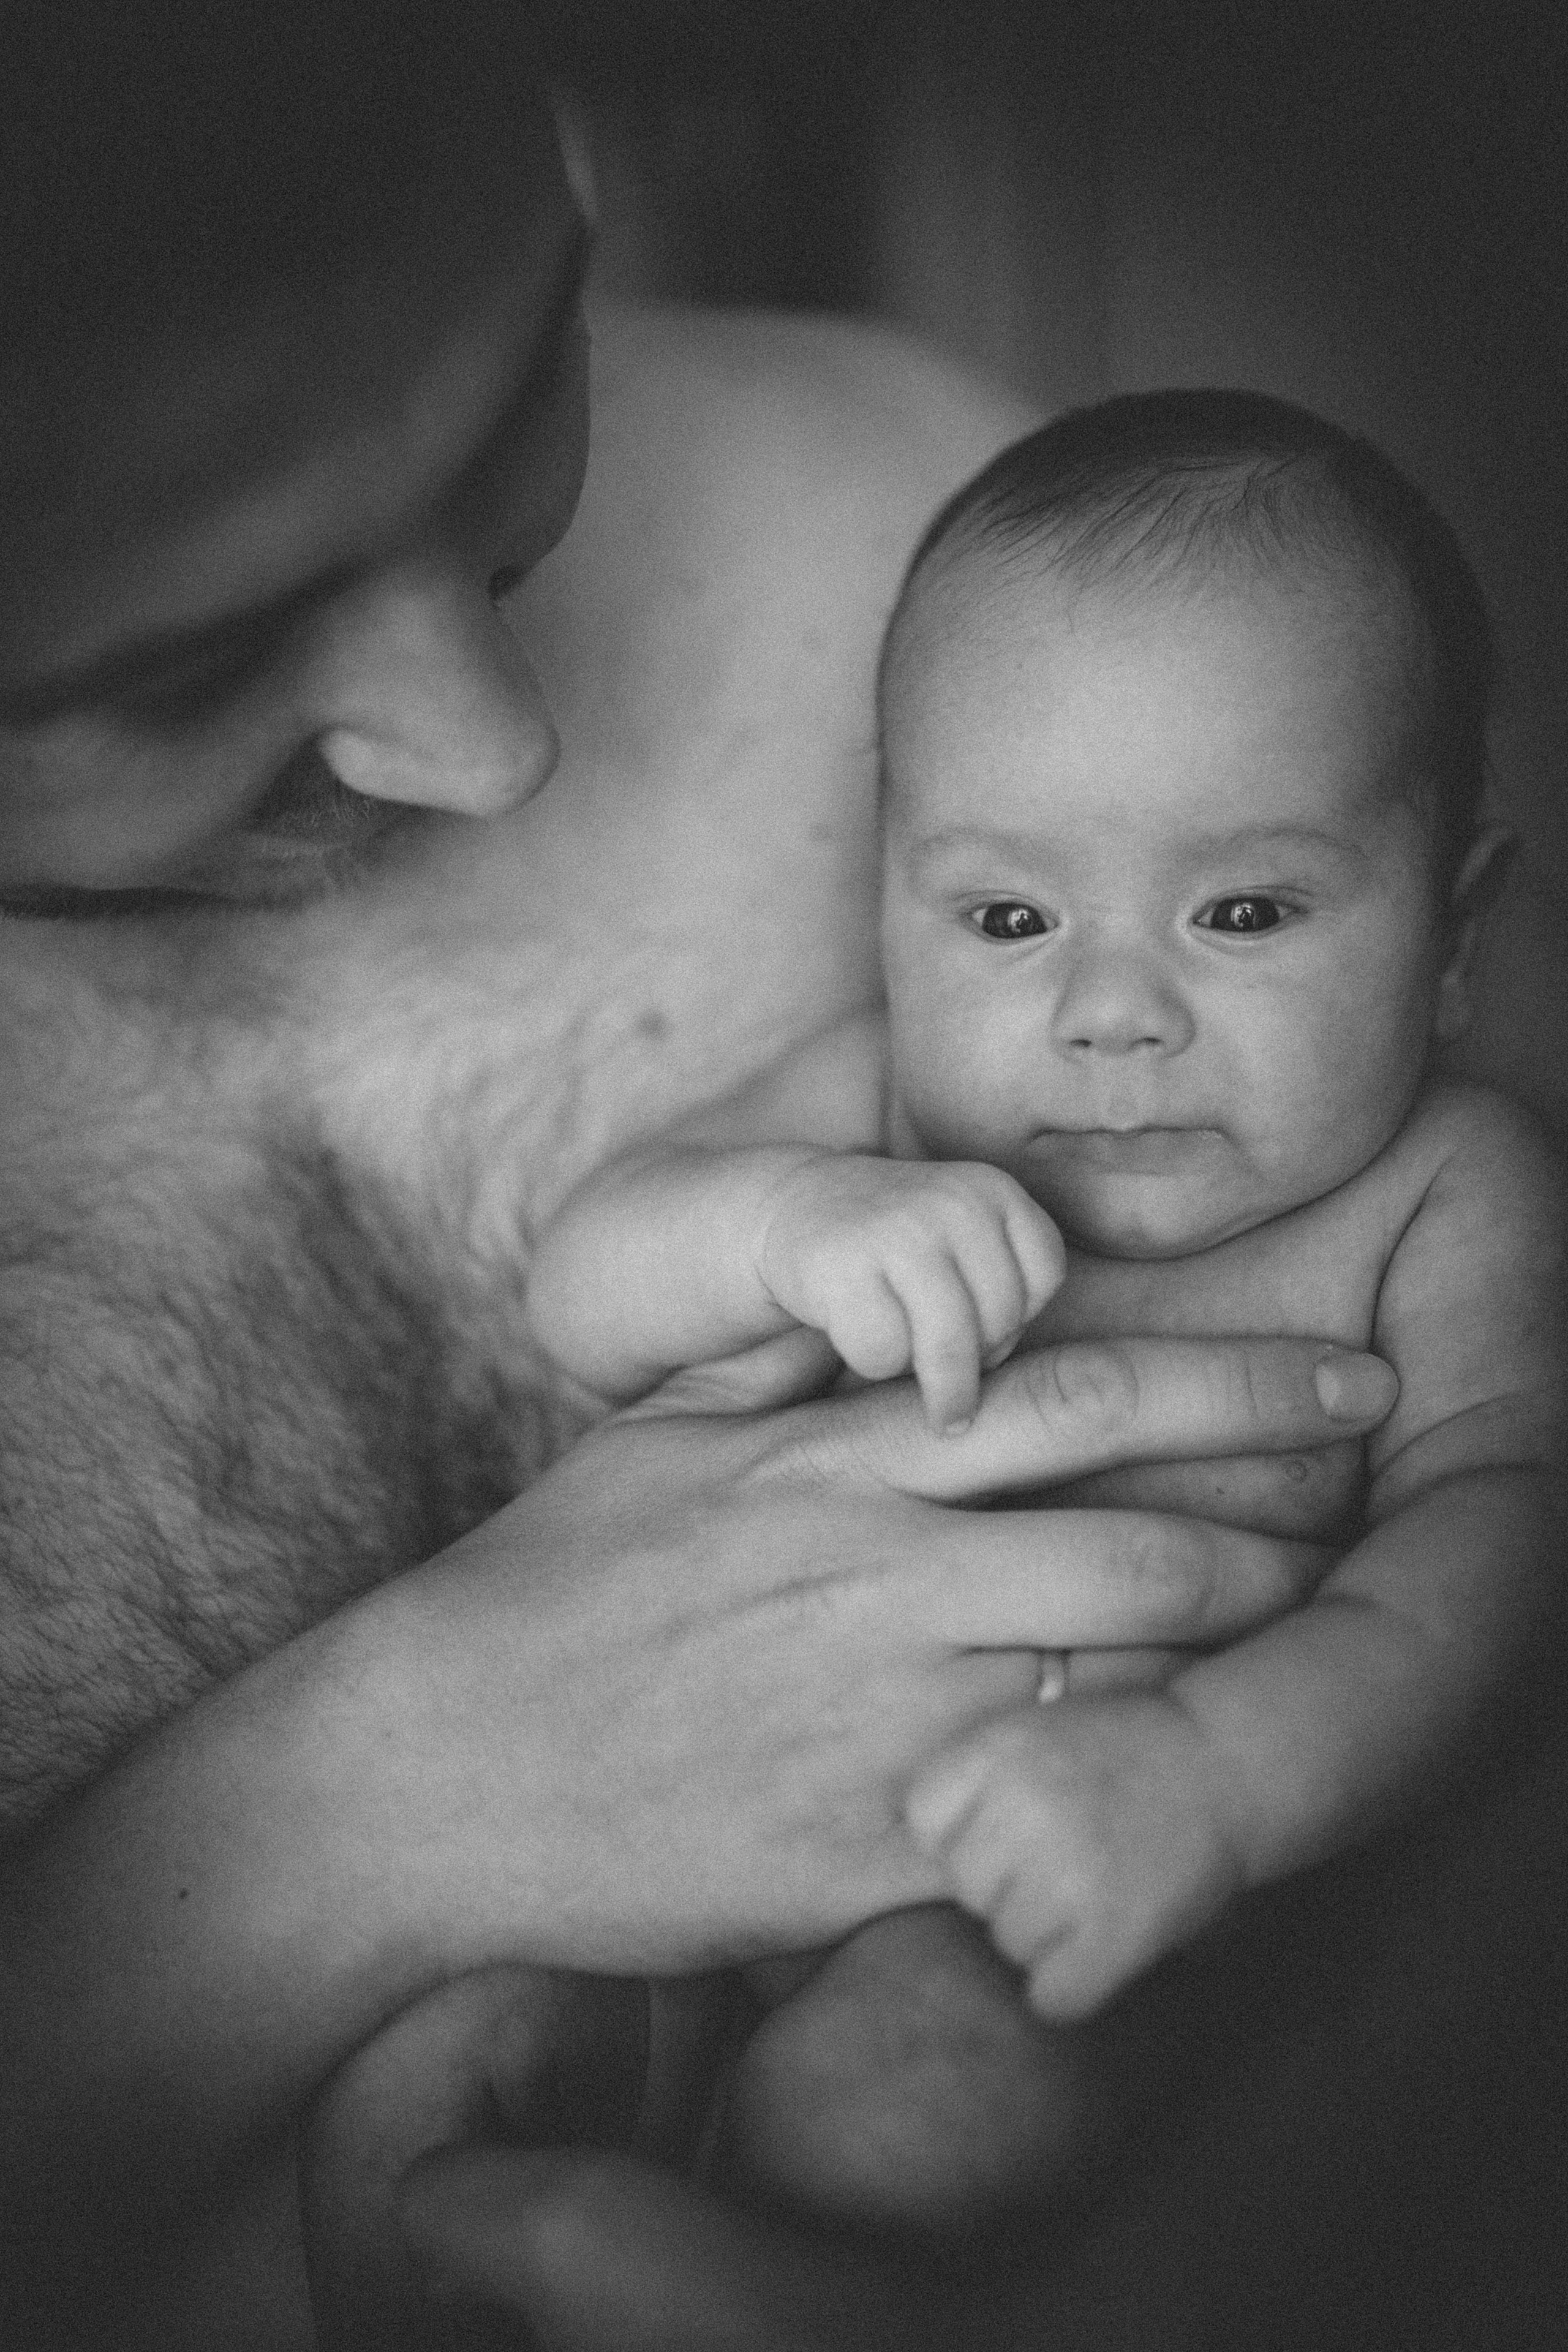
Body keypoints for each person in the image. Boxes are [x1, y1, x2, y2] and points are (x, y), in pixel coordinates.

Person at [0, 9, 1404, 2345]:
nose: (493, 749)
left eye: (518, 389)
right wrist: (366, 1812)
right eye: (177, 672)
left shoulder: (944, 548)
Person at [519, 389, 1565, 2224]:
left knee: (902, 2110)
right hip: (711, 1818)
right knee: (449, 2049)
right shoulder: (878, 1113)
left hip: (1117, 1891)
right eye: (1008, 922)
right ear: (886, 902)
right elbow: (581, 1292)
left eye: (1244, 913)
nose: (1112, 1015)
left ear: (1453, 932)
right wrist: (783, 1223)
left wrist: (1216, 1777)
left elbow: (1503, 1547)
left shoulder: (1442, 1193)